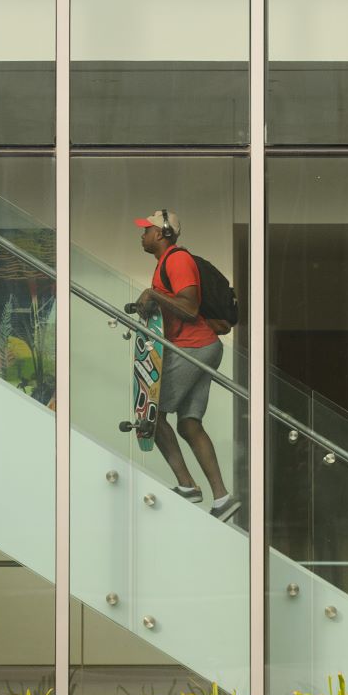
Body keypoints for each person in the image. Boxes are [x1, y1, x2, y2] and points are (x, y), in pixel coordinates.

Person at [134, 209, 240, 522]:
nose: (142, 234)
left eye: (147, 229)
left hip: (194, 347)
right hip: (203, 347)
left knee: (151, 414)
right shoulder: (165, 264)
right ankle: (222, 498)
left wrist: (153, 294)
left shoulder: (177, 260)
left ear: (161, 233)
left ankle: (187, 485)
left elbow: (190, 308)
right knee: (189, 424)